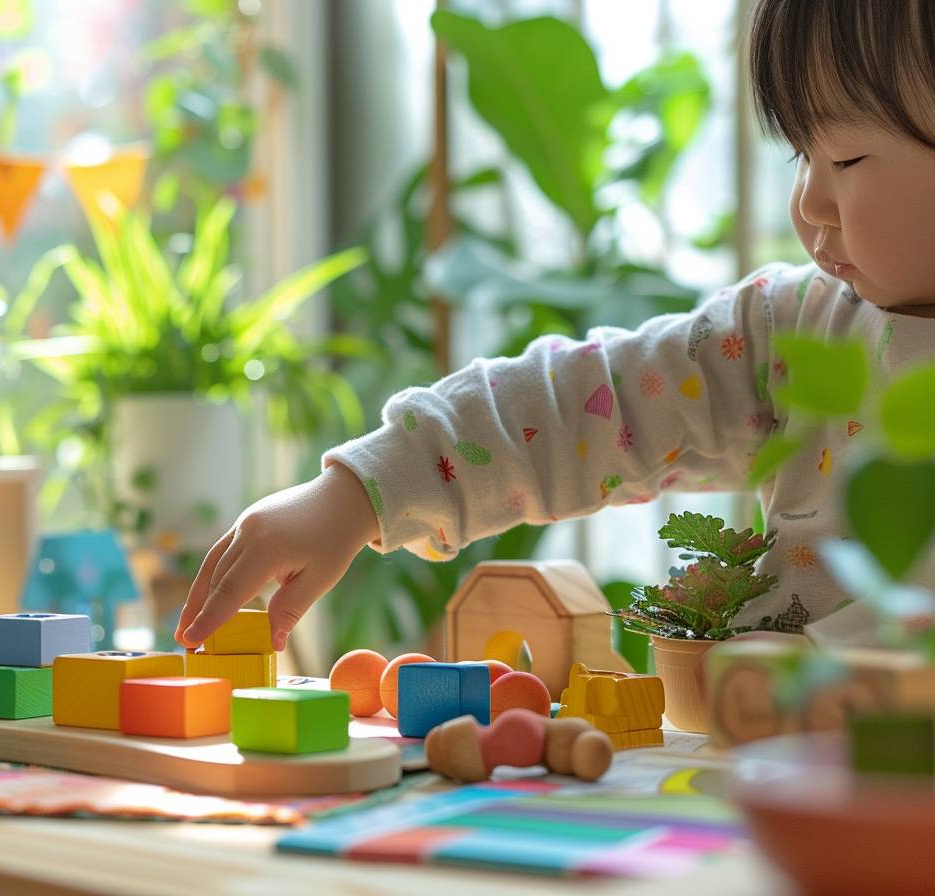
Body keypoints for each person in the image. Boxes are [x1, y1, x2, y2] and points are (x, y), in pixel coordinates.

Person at [177, 0, 935, 653]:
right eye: (803, 154)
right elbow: (583, 402)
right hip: (776, 783)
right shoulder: (790, 335)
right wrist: (360, 492)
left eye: (846, 155)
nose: (807, 203)